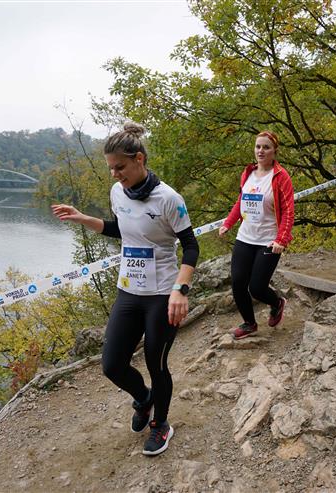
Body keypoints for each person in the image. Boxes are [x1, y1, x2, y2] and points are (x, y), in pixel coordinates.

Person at [51, 122, 199, 456]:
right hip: (129, 291)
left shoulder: (169, 199)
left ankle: (161, 425)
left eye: (120, 167)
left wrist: (181, 289)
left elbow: (191, 246)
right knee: (112, 365)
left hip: (162, 294)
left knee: (156, 364)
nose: (115, 175)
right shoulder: (118, 192)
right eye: (111, 168)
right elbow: (121, 229)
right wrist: (82, 218)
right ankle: (144, 399)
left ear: (139, 160)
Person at [218, 131, 295, 339]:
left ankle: (277, 303)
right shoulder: (248, 173)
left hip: (269, 240)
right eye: (258, 146)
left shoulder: (280, 177)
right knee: (238, 283)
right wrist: (228, 223)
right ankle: (249, 324)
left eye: (266, 147)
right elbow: (241, 201)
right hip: (245, 237)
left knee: (257, 288)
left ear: (275, 151)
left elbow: (288, 211)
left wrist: (281, 239)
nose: (261, 151)